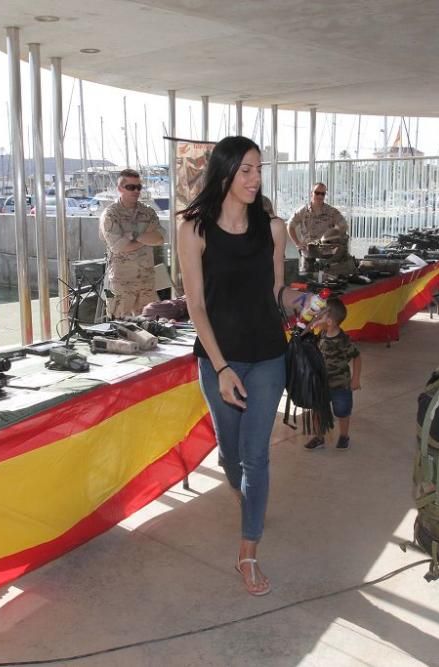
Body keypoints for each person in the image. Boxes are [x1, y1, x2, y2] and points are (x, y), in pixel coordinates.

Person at [177, 136, 307, 597]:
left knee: (257, 457)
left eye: (259, 169)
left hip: (268, 354)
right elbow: (195, 305)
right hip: (219, 360)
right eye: (246, 170)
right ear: (226, 172)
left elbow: (276, 291)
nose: (255, 179)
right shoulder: (193, 228)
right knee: (231, 455)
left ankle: (248, 551)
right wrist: (221, 367)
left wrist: (302, 300)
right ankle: (245, 489)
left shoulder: (272, 227)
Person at [98, 168, 165, 318]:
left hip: (146, 283)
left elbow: (159, 238)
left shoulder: (148, 212)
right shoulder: (110, 214)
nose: (136, 191)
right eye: (130, 187)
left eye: (138, 187)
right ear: (119, 189)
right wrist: (145, 239)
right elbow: (120, 247)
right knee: (122, 331)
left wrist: (133, 235)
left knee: (150, 330)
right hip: (123, 285)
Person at [303, 297, 362, 451]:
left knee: (342, 411)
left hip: (340, 385)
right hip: (321, 383)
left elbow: (357, 356)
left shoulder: (344, 341)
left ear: (329, 321)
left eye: (320, 315)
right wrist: (312, 323)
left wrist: (355, 379)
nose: (317, 317)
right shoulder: (321, 333)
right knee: (318, 410)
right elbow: (303, 333)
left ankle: (344, 436)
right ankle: (319, 437)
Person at [286, 183, 349, 252]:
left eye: (323, 194)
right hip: (308, 252)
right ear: (311, 193)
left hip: (326, 253)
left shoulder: (331, 212)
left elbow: (344, 226)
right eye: (317, 193)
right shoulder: (303, 211)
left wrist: (332, 238)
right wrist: (298, 243)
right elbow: (290, 226)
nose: (320, 196)